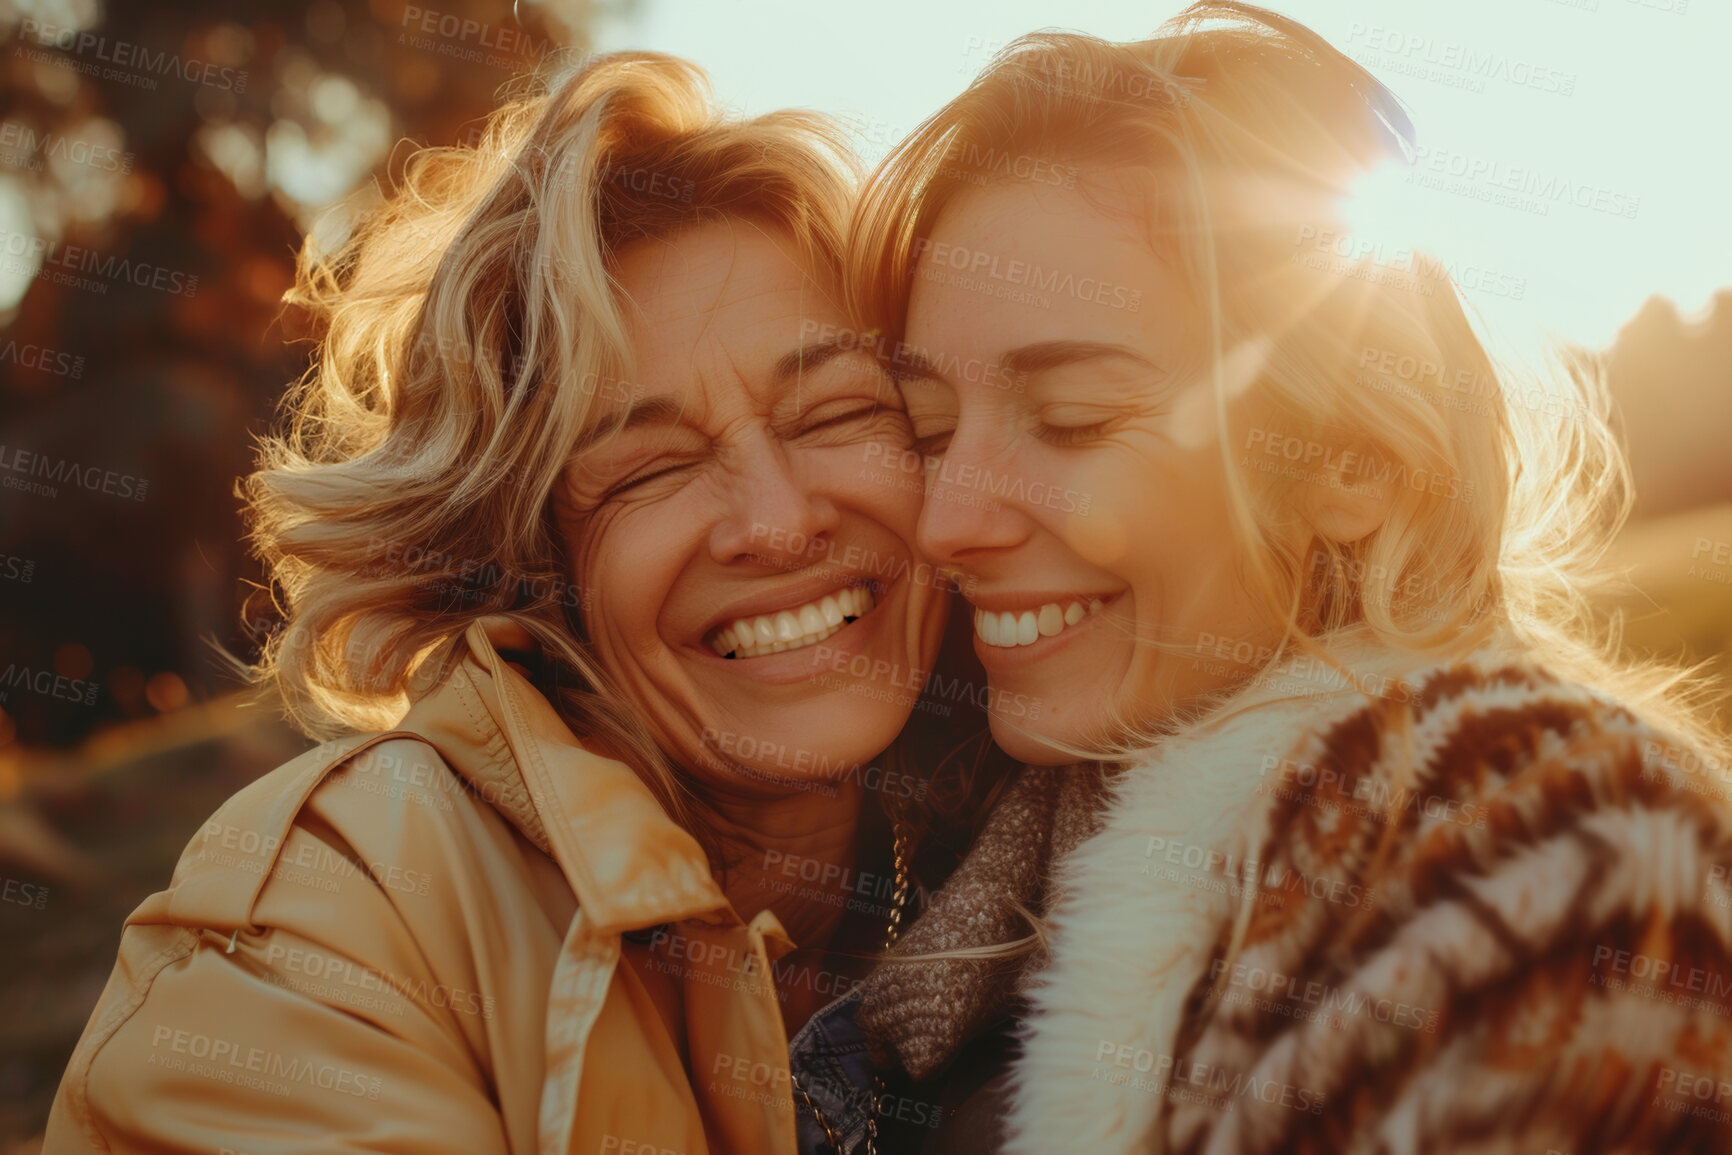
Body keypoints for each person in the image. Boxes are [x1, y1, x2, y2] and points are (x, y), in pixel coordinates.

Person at [46, 51, 976, 1155]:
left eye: (832, 413)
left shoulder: (1062, 827)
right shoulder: (325, 924)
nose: (775, 522)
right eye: (647, 472)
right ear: (524, 565)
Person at [846, 4, 1732, 1152]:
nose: (946, 518)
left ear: (1353, 462)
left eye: (1072, 420)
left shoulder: (1549, 852)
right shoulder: (960, 888)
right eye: (926, 426)